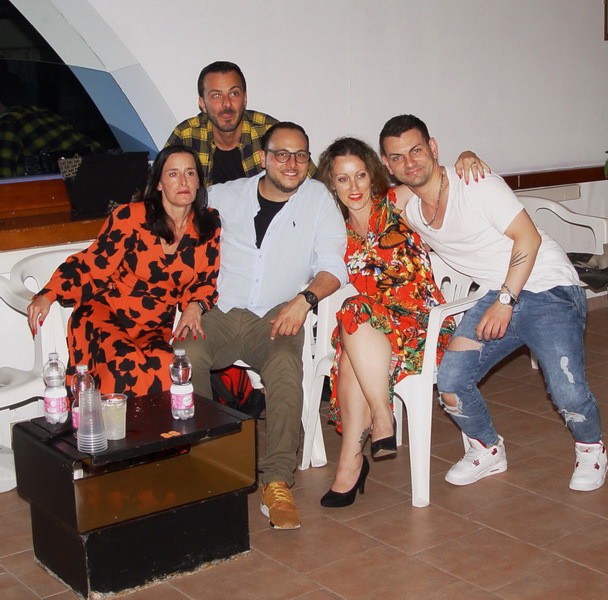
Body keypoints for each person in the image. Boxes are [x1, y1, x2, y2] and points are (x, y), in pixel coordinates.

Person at [380, 114, 607, 492]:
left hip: (547, 286)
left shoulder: (475, 182)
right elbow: (364, 211)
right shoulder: (407, 204)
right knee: (451, 381)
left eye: (416, 150)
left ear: (433, 147)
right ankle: (487, 449)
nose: (409, 162)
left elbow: (528, 238)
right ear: (388, 165)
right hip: (494, 292)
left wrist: (505, 300)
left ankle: (591, 448)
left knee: (565, 388)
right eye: (397, 157)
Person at [174, 122, 347, 530]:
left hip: (276, 313)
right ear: (265, 158)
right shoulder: (224, 196)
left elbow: (333, 267)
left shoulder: (317, 200)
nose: (292, 163)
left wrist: (304, 301)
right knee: (185, 355)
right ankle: (206, 466)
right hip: (218, 310)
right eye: (282, 154)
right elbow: (182, 237)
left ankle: (277, 482)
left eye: (300, 155)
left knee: (285, 365)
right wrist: (192, 300)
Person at [315, 137, 455, 508]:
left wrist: (468, 159)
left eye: (360, 175)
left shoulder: (397, 202)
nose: (354, 186)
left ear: (373, 174)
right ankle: (375, 425)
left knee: (352, 336)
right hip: (375, 330)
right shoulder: (336, 236)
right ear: (331, 185)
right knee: (355, 318)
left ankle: (359, 451)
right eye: (343, 179)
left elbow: (442, 181)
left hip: (424, 326)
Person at [27, 145, 221, 396]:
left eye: (190, 173)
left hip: (153, 325)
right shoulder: (131, 217)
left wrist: (195, 304)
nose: (183, 181)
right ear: (159, 183)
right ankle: (104, 421)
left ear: (198, 182)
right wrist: (49, 293)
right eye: (173, 174)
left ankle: (152, 424)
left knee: (166, 364)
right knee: (124, 361)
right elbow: (91, 264)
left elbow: (207, 278)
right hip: (105, 313)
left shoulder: (208, 223)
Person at [166, 61, 288, 186]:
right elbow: (160, 189)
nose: (227, 103)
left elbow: (300, 184)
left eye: (234, 94)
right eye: (216, 96)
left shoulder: (271, 132)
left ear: (244, 98)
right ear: (202, 104)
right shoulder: (186, 135)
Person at [0, 72, 100, 178]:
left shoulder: (8, 122)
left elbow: (4, 176)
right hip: (102, 165)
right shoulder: (41, 112)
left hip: (83, 176)